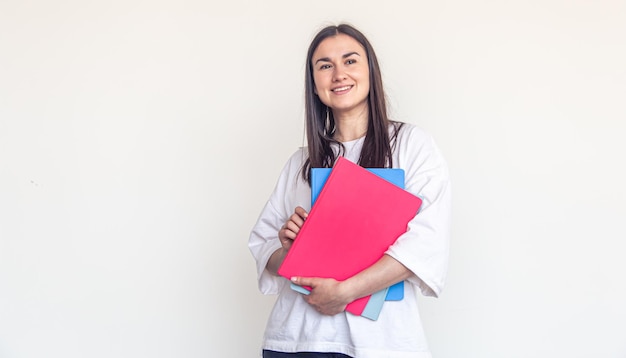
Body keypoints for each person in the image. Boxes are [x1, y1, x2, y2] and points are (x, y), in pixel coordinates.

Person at [248, 23, 451, 358]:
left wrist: (344, 292)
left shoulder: (412, 146)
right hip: (297, 341)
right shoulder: (301, 162)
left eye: (350, 61)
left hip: (380, 344)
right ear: (314, 85)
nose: (338, 74)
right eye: (325, 66)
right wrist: (290, 252)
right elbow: (263, 245)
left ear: (371, 72)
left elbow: (425, 242)